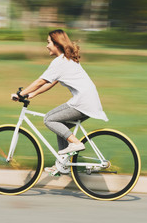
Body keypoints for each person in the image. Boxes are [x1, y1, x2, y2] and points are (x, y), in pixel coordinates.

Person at [11, 29, 108, 174]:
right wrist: (32, 94)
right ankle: (62, 164)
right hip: (88, 101)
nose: (46, 46)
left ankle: (76, 143)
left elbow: (41, 81)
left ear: (57, 44)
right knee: (60, 126)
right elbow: (51, 82)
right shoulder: (66, 59)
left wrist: (21, 93)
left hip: (83, 101)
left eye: (48, 42)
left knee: (49, 119)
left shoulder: (60, 62)